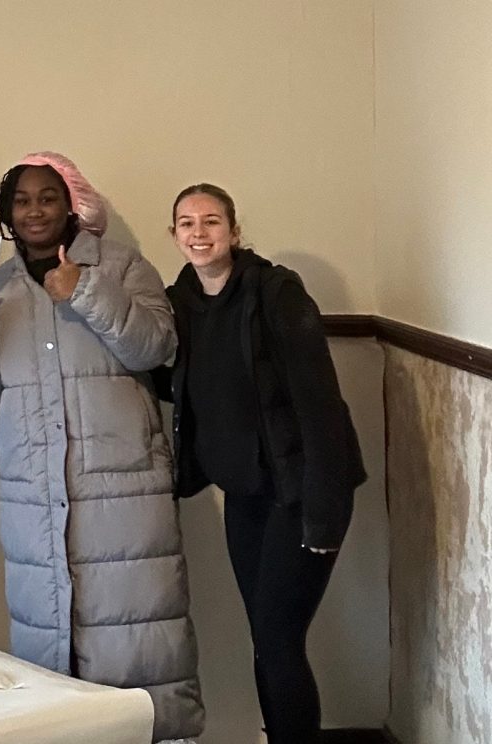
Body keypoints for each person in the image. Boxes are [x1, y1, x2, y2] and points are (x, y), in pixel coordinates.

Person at [0, 152, 204, 743]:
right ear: (6, 216)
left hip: (121, 493)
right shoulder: (4, 284)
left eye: (48, 197)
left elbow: (155, 346)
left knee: (142, 644)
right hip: (34, 497)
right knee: (51, 657)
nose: (36, 210)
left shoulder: (120, 266)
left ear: (71, 206)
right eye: (22, 201)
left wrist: (84, 290)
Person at [163, 183, 364, 744]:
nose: (199, 233)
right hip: (245, 495)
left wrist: (324, 518)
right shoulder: (179, 301)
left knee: (278, 639)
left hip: (301, 494)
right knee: (266, 637)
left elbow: (322, 407)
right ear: (174, 234)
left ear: (234, 230)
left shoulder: (276, 294)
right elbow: (169, 377)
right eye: (186, 223)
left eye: (211, 221)